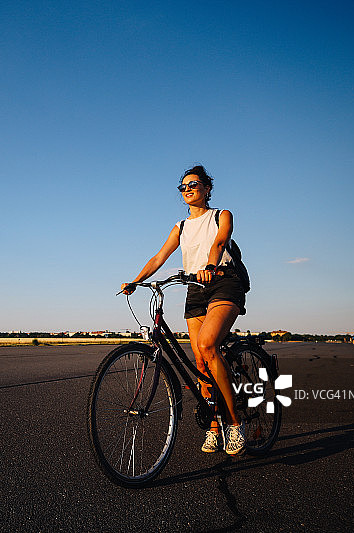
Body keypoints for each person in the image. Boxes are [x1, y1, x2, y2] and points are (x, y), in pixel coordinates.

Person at [121, 165, 248, 455]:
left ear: (207, 188)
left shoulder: (221, 215)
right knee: (201, 363)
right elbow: (160, 256)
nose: (188, 189)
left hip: (223, 282)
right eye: (183, 186)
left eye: (194, 184)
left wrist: (211, 266)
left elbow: (219, 241)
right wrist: (136, 281)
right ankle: (214, 429)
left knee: (207, 344)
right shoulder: (180, 226)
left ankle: (235, 425)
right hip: (195, 289)